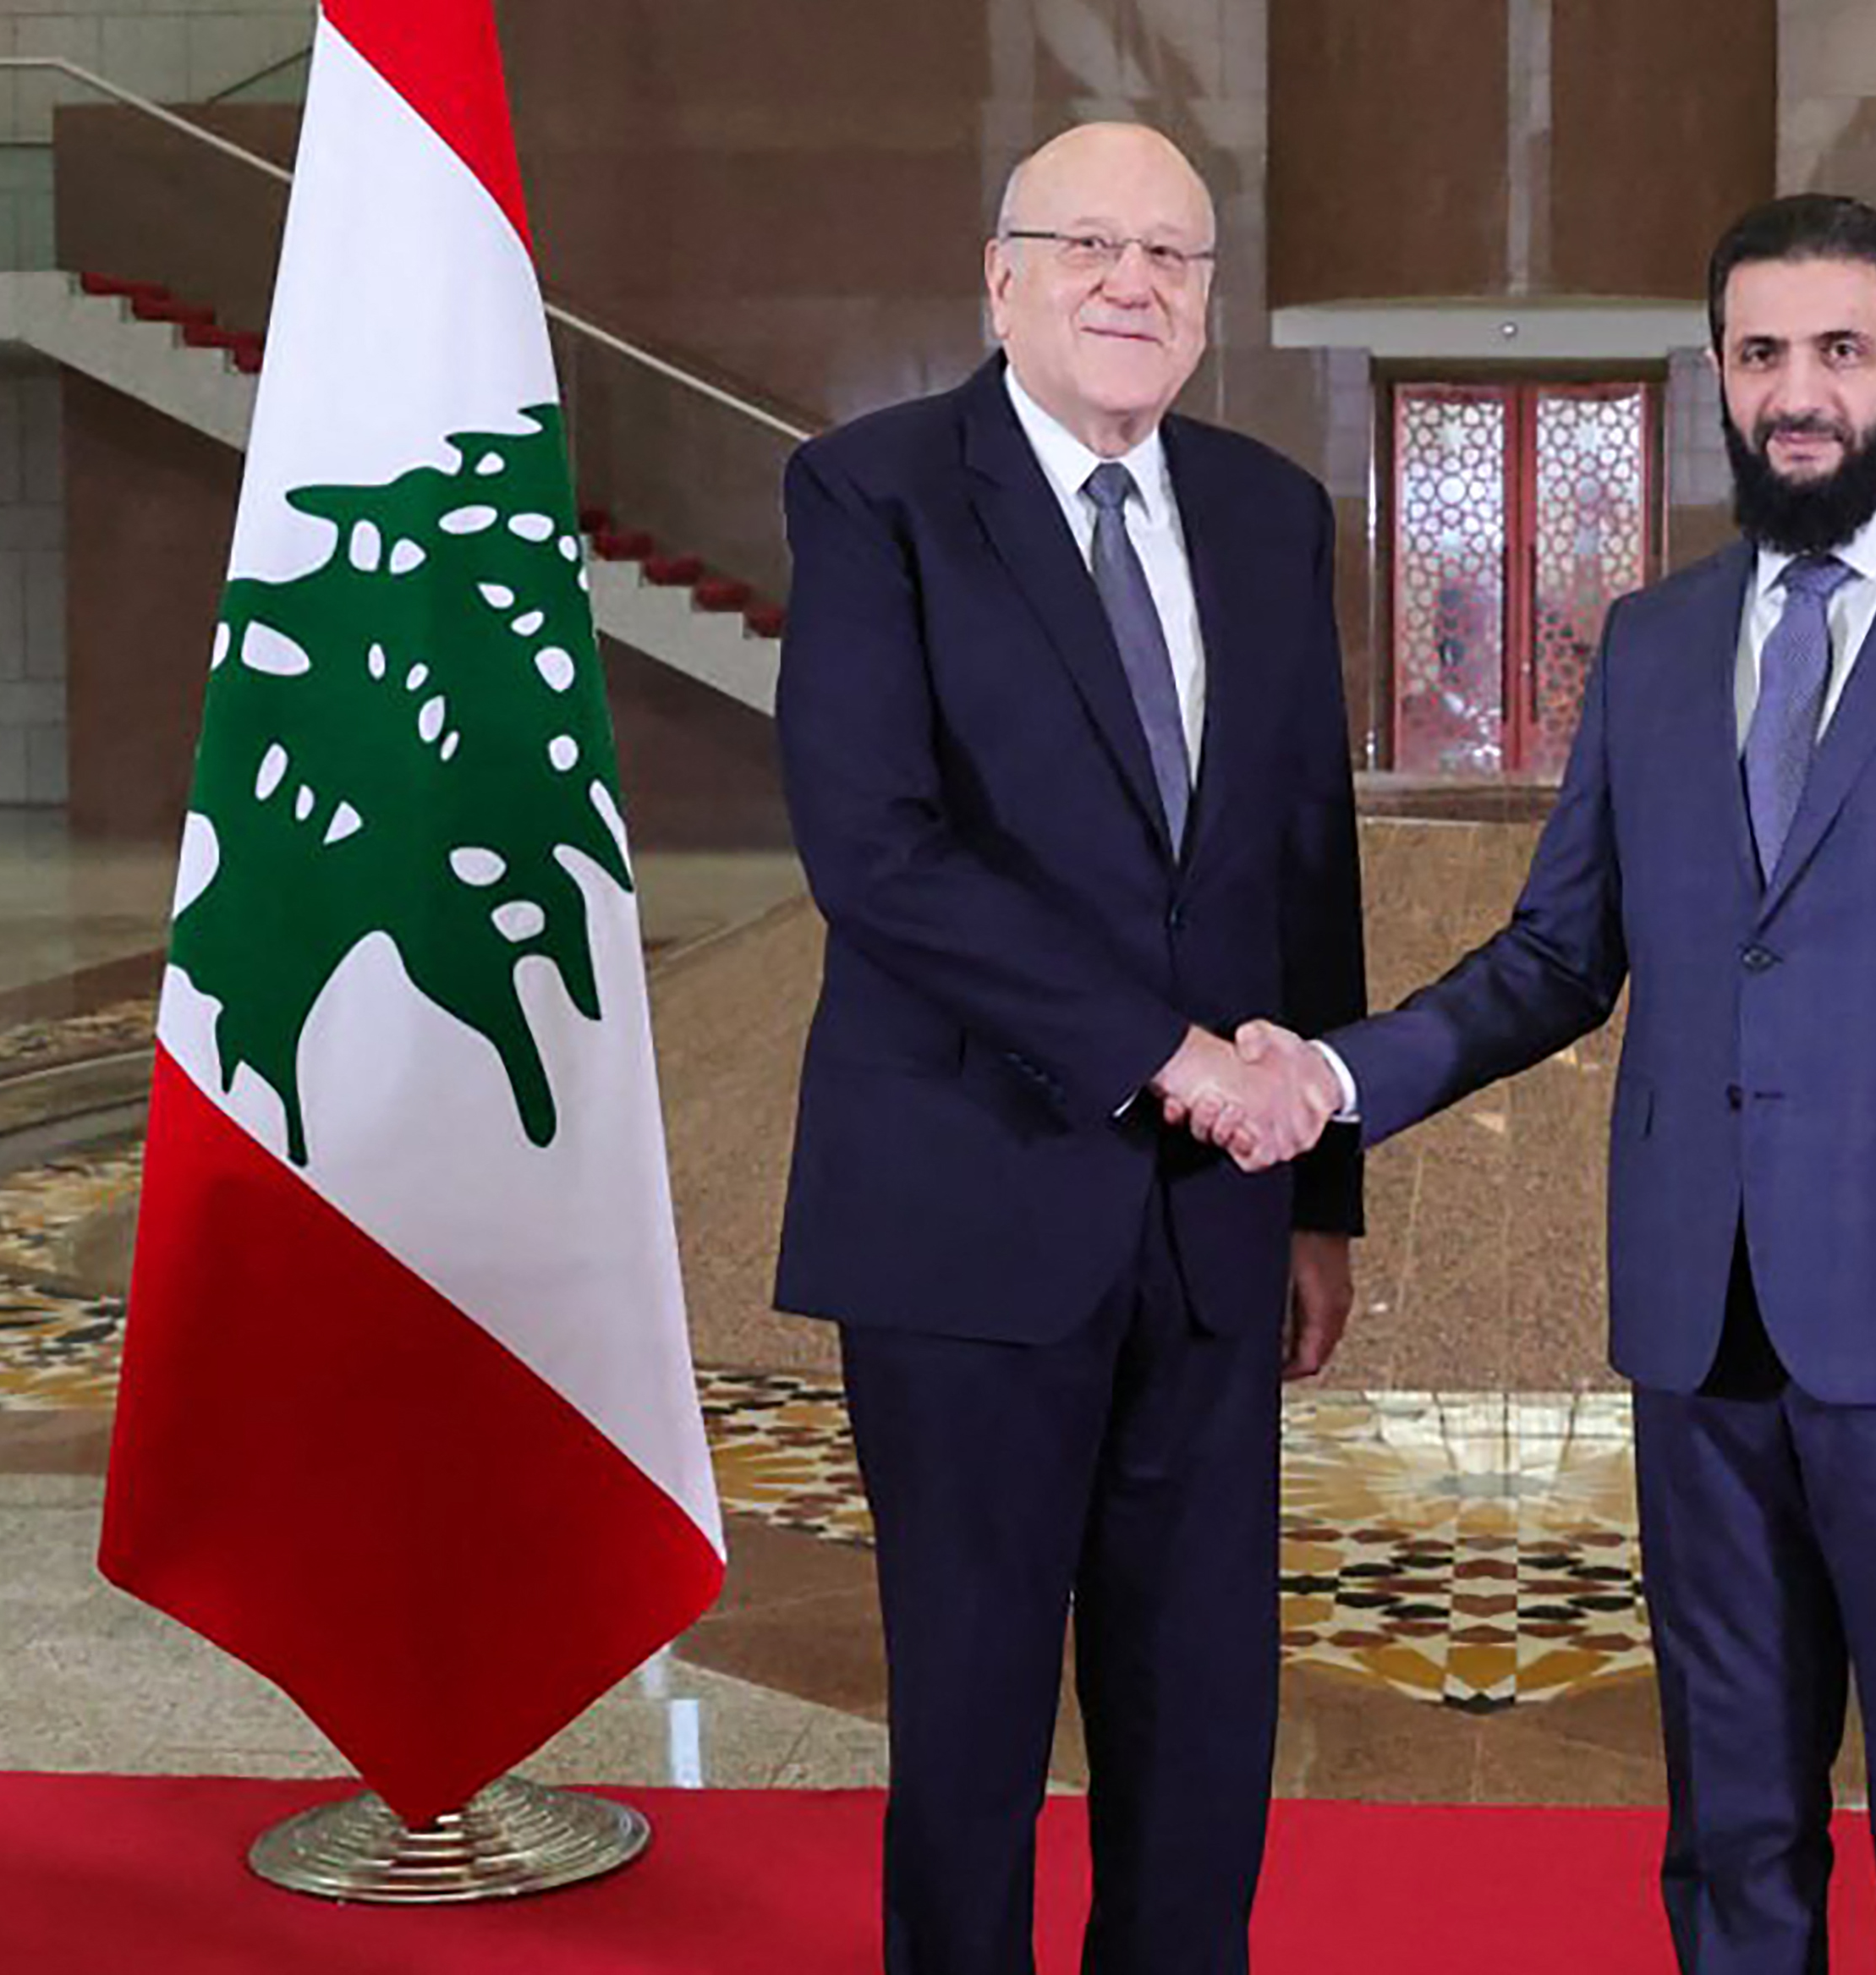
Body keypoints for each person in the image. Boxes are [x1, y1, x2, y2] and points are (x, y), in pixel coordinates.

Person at [1191, 194, 1876, 1974]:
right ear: (1719, 375)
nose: (1797, 394)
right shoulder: (1653, 641)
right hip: (1698, 1328)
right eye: (1760, 355)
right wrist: (1335, 1075)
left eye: (1837, 352)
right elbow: (1557, 957)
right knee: (1729, 1815)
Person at [771, 122, 1363, 1975]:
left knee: (1202, 1716)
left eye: (1173, 257)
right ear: (1000, 272)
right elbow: (875, 851)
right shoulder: (875, 495)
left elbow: (1301, 860)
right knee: (971, 1711)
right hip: (965, 1203)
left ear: (1208, 300)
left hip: (1216, 1227)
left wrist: (1324, 1194)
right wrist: (1162, 1052)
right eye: (1089, 244)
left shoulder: (1269, 512)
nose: (1133, 283)